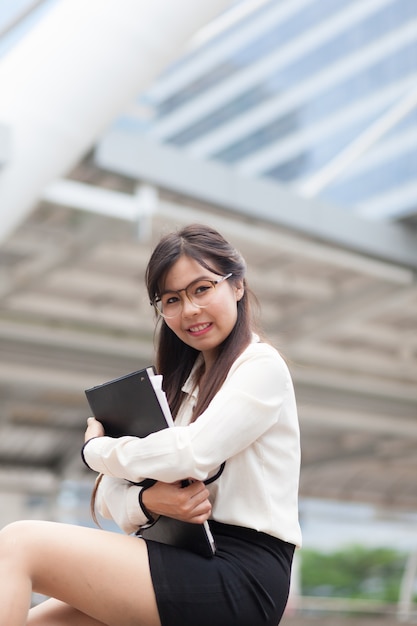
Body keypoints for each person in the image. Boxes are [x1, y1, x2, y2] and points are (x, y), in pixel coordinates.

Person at [0, 223, 301, 626]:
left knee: (19, 543)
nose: (190, 310)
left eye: (202, 288)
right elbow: (108, 496)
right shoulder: (180, 386)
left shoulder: (261, 366)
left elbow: (190, 455)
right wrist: (146, 502)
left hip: (241, 573)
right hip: (182, 554)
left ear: (238, 285)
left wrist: (97, 451)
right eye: (172, 299)